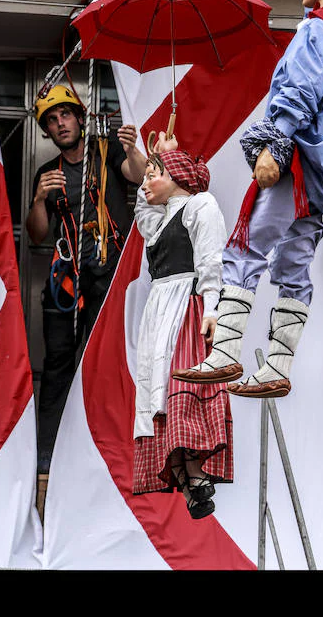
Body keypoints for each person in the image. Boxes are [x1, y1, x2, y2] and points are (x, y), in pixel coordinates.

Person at [173, 0, 323, 398]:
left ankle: (225, 355)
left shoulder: (316, 33)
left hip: (294, 167)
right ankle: (278, 366)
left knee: (246, 249)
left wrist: (274, 146)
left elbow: (299, 90)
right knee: (294, 267)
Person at [26, 84, 146, 473]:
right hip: (68, 282)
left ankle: (100, 448)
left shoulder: (106, 152)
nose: (60, 124)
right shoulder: (48, 174)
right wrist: (39, 201)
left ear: (80, 118)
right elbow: (36, 234)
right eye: (52, 121)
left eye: (65, 115)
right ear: (47, 131)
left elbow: (139, 175)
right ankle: (47, 453)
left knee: (102, 363)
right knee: (59, 362)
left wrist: (131, 149)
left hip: (109, 280)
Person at [132, 135, 232, 520]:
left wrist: (211, 309)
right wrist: (162, 152)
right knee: (158, 391)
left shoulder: (199, 205)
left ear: (176, 175)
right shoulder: (159, 221)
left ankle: (192, 469)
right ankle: (186, 476)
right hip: (160, 311)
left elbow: (210, 260)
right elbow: (145, 213)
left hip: (185, 311)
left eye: (152, 174)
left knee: (181, 386)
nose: (145, 183)